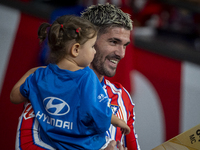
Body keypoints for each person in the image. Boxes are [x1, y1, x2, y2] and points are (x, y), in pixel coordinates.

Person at [11, 3, 140, 150]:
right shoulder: (44, 86)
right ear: (81, 43)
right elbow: (26, 146)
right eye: (113, 42)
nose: (121, 54)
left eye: (125, 45)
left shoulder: (123, 97)